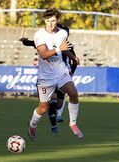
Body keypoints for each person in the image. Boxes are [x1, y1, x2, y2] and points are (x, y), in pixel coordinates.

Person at [27, 8, 83, 140]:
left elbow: (63, 50)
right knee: (43, 108)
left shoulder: (63, 33)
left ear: (57, 20)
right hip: (46, 77)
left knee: (74, 94)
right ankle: (32, 124)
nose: (50, 24)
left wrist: (72, 57)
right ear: (44, 21)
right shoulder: (39, 35)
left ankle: (73, 124)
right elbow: (44, 55)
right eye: (47, 21)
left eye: (53, 21)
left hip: (61, 71)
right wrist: (60, 48)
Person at [20, 24, 78, 134]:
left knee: (59, 104)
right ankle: (54, 126)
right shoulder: (46, 42)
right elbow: (34, 43)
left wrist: (71, 72)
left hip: (61, 75)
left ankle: (56, 119)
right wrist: (25, 41)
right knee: (51, 101)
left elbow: (74, 60)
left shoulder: (68, 46)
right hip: (47, 77)